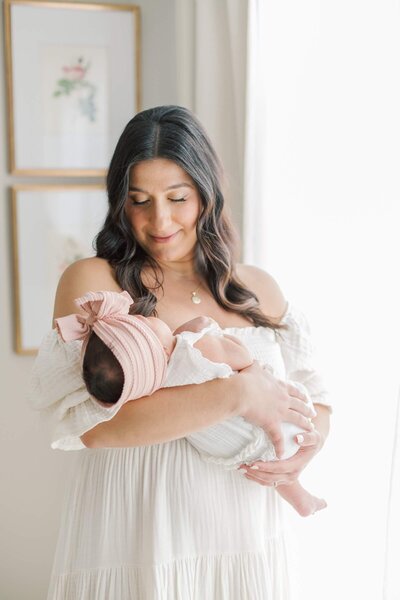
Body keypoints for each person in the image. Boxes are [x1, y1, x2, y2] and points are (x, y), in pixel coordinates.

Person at [29, 105, 331, 599]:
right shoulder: (95, 283)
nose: (159, 220)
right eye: (139, 200)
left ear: (206, 195)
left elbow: (317, 394)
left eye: (177, 198)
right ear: (119, 203)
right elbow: (93, 428)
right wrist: (236, 394)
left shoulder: (256, 287)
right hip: (140, 541)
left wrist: (306, 450)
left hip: (249, 539)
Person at [55, 289, 327, 518]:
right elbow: (237, 354)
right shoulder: (191, 349)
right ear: (159, 350)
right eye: (147, 324)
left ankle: (298, 496)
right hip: (262, 427)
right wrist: (211, 337)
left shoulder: (155, 386)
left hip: (225, 446)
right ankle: (299, 495)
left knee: (266, 460)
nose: (148, 317)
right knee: (274, 453)